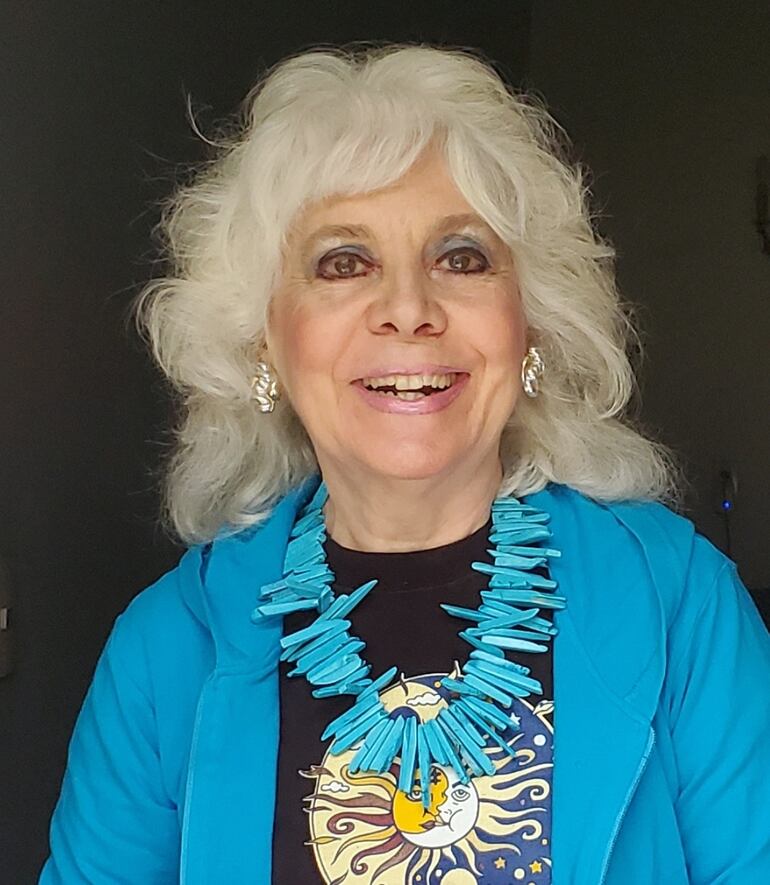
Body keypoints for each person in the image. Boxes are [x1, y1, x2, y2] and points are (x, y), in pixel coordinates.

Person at [40, 43, 770, 885]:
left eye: (461, 256)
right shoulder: (166, 649)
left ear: (530, 322)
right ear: (264, 340)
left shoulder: (678, 603)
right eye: (343, 262)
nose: (409, 308)